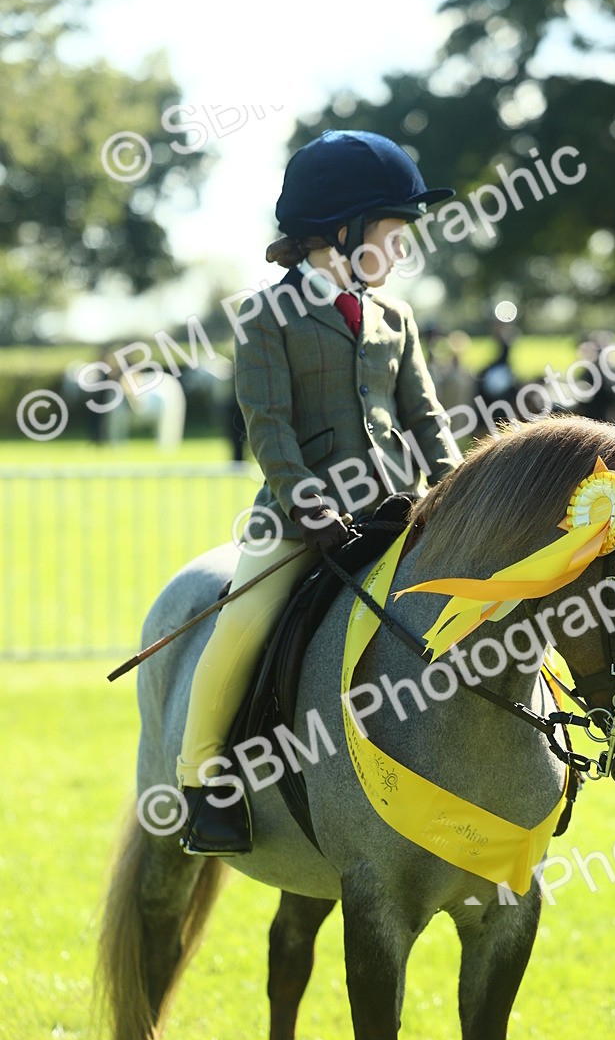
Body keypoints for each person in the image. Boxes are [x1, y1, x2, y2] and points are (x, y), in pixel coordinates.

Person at [177, 130, 461, 854]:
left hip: (399, 507)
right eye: (394, 235)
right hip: (301, 518)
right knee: (241, 624)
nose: (402, 253)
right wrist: (308, 503)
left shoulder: (396, 318)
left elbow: (425, 415)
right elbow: (268, 428)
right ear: (342, 230)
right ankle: (201, 780)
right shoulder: (263, 317)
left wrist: (458, 485)